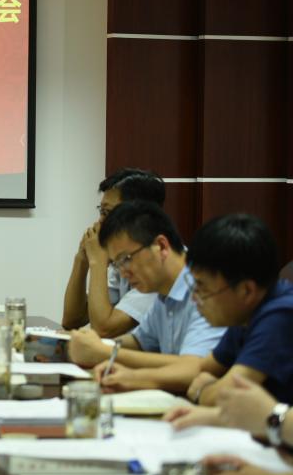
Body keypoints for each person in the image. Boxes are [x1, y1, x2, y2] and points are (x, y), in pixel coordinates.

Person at [66, 201, 225, 392]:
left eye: (126, 259)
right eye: (117, 264)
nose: (123, 273)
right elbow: (139, 342)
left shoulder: (206, 289)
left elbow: (196, 367)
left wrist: (104, 352)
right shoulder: (163, 293)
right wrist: (86, 343)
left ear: (161, 246)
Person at [155, 213, 293, 410]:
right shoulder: (245, 312)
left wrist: (203, 391)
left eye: (202, 287)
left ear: (246, 290)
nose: (194, 298)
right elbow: (202, 370)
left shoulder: (281, 316)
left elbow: (227, 396)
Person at [61, 168, 164, 337]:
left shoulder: (158, 263)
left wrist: (97, 262)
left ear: (139, 215)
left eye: (107, 213)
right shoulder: (126, 257)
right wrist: (82, 259)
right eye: (101, 211)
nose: (100, 221)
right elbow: (72, 320)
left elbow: (104, 328)